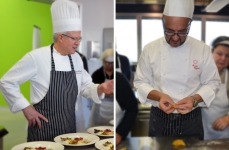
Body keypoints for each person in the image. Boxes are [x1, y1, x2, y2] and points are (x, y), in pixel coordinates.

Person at [0, 0, 113, 142]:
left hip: (69, 132)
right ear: (61, 37)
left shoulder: (76, 58)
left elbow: (84, 87)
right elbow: (7, 82)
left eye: (79, 38)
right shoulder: (37, 57)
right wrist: (26, 108)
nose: (78, 43)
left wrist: (100, 88)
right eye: (74, 39)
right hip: (43, 132)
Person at [134, 0, 221, 140]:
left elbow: (213, 83)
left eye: (182, 32)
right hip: (159, 118)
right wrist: (159, 96)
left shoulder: (201, 49)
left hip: (191, 119)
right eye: (169, 31)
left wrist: (194, 99)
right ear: (163, 21)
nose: (175, 37)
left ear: (190, 24)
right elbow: (140, 82)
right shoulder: (150, 49)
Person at [202, 36, 229, 140]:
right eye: (219, 54)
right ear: (211, 52)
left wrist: (228, 118)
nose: (223, 58)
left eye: (227, 55)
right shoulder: (198, 74)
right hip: (197, 134)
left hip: (223, 136)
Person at [88, 48, 114, 127]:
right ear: (103, 61)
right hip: (100, 106)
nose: (110, 65)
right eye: (107, 63)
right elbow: (92, 91)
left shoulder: (118, 75)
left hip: (114, 107)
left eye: (112, 63)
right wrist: (105, 93)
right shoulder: (97, 74)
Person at [116, 71, 138, 145]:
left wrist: (120, 133)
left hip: (119, 138)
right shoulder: (97, 76)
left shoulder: (119, 79)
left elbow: (132, 108)